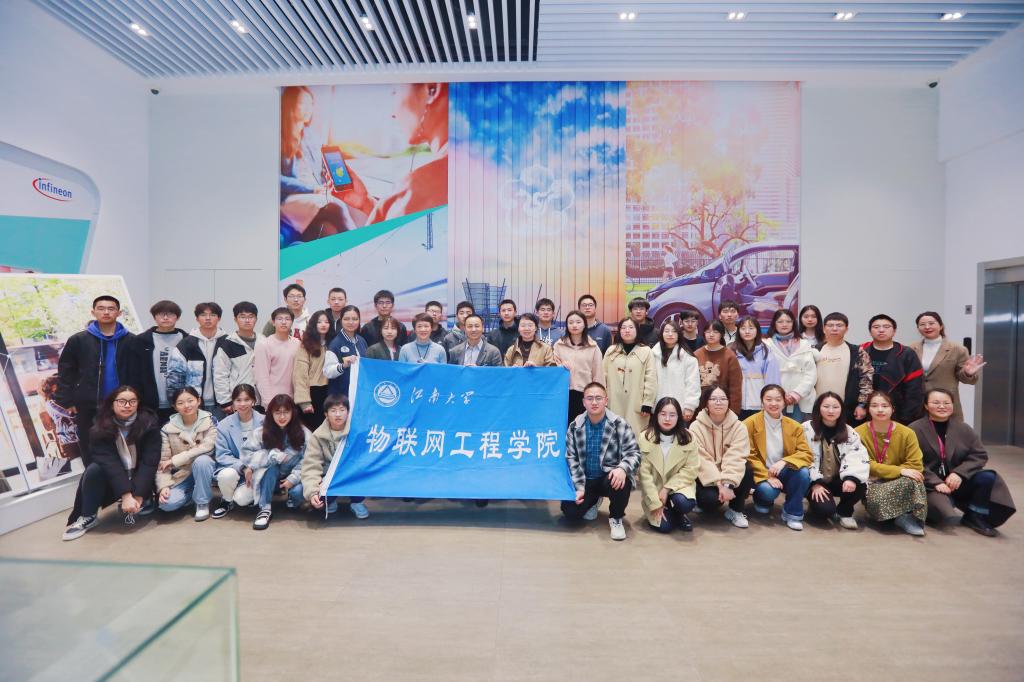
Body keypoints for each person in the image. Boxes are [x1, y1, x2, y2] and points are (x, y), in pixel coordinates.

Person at [332, 82, 449, 225]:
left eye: (395, 92)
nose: (393, 114)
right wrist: (367, 203)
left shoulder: (418, 189)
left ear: (432, 89)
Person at [911, 388, 1015, 535]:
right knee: (945, 516)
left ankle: (975, 515)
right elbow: (912, 461)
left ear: (953, 405)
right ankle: (944, 505)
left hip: (957, 482)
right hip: (930, 485)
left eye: (947, 403)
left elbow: (979, 455)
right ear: (926, 406)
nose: (942, 406)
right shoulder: (914, 429)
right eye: (936, 403)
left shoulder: (963, 428)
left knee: (987, 477)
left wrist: (959, 473)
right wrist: (935, 482)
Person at [62, 386, 160, 541]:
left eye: (132, 401)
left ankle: (145, 498)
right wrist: (126, 495)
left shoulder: (149, 424)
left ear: (138, 403)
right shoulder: (100, 427)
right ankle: (88, 516)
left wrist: (139, 494)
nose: (127, 405)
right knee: (94, 470)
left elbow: (149, 462)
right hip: (114, 479)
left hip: (140, 477)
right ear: (112, 403)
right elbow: (109, 463)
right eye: (122, 401)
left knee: (152, 468)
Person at [55, 295, 134, 462]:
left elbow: (139, 373)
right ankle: (94, 477)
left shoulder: (131, 340)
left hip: (124, 405)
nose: (106, 312)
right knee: (91, 449)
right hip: (88, 405)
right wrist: (67, 401)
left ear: (119, 313)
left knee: (125, 449)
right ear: (93, 312)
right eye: (101, 308)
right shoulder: (78, 340)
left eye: (111, 309)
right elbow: (65, 372)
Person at [562, 382, 642, 541]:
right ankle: (593, 500)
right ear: (583, 402)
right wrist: (579, 487)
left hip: (608, 478)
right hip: (586, 480)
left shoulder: (619, 424)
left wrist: (622, 469)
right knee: (570, 511)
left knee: (621, 482)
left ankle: (616, 518)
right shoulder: (575, 426)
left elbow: (634, 453)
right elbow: (571, 459)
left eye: (598, 398)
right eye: (589, 398)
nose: (594, 402)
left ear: (606, 400)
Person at [279, 86, 357, 244]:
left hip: (314, 194)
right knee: (337, 206)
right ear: (290, 105)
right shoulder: (279, 137)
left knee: (328, 230)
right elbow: (277, 180)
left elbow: (320, 169)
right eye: (303, 103)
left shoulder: (311, 136)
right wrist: (312, 189)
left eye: (311, 104)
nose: (309, 109)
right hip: (291, 197)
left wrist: (330, 181)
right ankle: (362, 246)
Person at [855, 390, 927, 536]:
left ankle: (908, 518)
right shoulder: (857, 433)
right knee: (880, 506)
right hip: (872, 483)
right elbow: (864, 464)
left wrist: (889, 472)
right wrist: (900, 471)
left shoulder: (907, 433)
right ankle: (894, 515)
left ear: (893, 409)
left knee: (915, 478)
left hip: (899, 481)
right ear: (868, 409)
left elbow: (915, 465)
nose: (880, 410)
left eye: (885, 406)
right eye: (874, 405)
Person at [745, 384, 813, 530]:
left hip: (783, 470)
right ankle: (761, 500)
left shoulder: (794, 426)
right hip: (760, 471)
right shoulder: (749, 423)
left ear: (784, 402)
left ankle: (792, 514)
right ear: (762, 402)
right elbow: (748, 455)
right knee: (768, 492)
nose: (773, 403)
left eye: (778, 399)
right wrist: (767, 475)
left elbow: (806, 453)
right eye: (768, 399)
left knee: (803, 473)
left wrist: (784, 461)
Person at [239, 394, 309, 530]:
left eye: (286, 412)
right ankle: (265, 508)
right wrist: (268, 456)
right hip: (268, 476)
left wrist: (293, 478)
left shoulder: (303, 433)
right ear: (271, 413)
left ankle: (291, 497)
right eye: (277, 412)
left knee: (298, 492)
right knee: (271, 469)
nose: (282, 417)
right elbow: (247, 453)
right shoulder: (261, 432)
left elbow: (309, 459)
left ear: (293, 412)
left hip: (294, 476)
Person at [690, 385, 754, 528]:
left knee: (747, 468)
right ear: (706, 402)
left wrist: (727, 484)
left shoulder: (739, 426)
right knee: (709, 502)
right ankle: (704, 502)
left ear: (728, 402)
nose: (718, 402)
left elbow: (736, 456)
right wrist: (719, 485)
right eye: (713, 399)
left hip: (729, 474)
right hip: (707, 476)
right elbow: (702, 459)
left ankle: (735, 510)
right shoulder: (696, 426)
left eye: (723, 399)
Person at [803, 392, 870, 529]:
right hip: (815, 480)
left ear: (841, 409)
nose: (831, 411)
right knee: (824, 511)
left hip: (837, 479)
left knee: (860, 484)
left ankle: (844, 512)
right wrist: (815, 483)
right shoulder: (805, 429)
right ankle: (815, 502)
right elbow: (802, 457)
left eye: (835, 407)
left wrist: (851, 478)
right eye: (826, 406)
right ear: (818, 408)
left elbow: (857, 456)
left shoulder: (849, 432)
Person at [300, 394, 369, 519]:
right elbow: (311, 465)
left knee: (359, 474)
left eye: (342, 410)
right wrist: (313, 492)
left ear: (348, 412)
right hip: (329, 477)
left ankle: (357, 502)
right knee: (318, 501)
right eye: (333, 410)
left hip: (351, 474)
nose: (338, 414)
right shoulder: (318, 436)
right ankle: (330, 500)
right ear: (326, 414)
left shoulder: (358, 432)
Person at [909, 311, 985, 421]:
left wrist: (968, 373)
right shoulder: (911, 349)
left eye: (931, 323)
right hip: (918, 404)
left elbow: (965, 379)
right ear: (918, 328)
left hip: (944, 403)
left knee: (949, 431)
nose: (927, 327)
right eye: (922, 324)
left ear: (941, 326)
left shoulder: (957, 349)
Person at [156, 387, 218, 521]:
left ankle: (202, 502)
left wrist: (175, 460)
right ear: (174, 406)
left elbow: (208, 447)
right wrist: (164, 486)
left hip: (206, 470)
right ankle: (194, 494)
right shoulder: (167, 429)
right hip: (183, 474)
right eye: (180, 403)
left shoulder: (210, 421)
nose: (186, 405)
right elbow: (163, 461)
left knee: (202, 460)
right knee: (166, 504)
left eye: (190, 401)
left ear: (198, 401)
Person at [638, 397, 699, 533]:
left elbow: (691, 469)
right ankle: (665, 511)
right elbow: (644, 474)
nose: (667, 419)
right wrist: (655, 502)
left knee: (684, 503)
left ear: (679, 417)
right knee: (665, 528)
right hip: (654, 490)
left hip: (678, 487)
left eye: (672, 415)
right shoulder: (645, 437)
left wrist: (666, 489)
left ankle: (679, 513)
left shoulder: (689, 438)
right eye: (663, 414)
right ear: (656, 415)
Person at [211, 384, 264, 519]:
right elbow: (222, 455)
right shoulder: (224, 425)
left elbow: (268, 450)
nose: (242, 404)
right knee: (226, 475)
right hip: (234, 469)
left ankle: (250, 495)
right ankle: (227, 501)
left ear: (254, 401)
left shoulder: (265, 421)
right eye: (238, 400)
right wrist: (243, 467)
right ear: (233, 402)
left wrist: (252, 467)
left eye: (247, 399)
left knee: (241, 499)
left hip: (257, 471)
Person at [127, 299, 185, 423]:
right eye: (161, 314)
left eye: (170, 314)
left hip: (182, 403)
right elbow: (133, 374)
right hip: (149, 404)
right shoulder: (140, 341)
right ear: (154, 317)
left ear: (177, 317)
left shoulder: (187, 340)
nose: (165, 317)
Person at [166, 302, 227, 416]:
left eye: (213, 315)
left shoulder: (228, 342)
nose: (208, 318)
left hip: (223, 404)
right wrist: (177, 402)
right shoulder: (186, 344)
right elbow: (175, 376)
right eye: (203, 315)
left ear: (219, 318)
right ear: (197, 318)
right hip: (192, 404)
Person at [861, 314, 924, 424]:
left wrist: (907, 417)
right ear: (870, 331)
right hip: (864, 412)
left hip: (897, 412)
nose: (881, 330)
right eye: (876, 327)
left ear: (894, 331)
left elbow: (914, 390)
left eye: (886, 327)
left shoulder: (906, 354)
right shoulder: (861, 351)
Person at [602, 318, 658, 438]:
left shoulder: (646, 351)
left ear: (637, 330)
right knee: (613, 435)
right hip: (613, 401)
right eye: (623, 327)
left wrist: (647, 403)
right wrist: (602, 399)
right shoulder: (611, 351)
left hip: (637, 403)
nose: (627, 330)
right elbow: (603, 376)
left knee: (635, 436)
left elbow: (651, 379)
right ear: (619, 331)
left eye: (631, 327)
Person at [815, 312, 873, 424]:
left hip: (847, 408)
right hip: (818, 407)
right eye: (830, 325)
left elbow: (866, 380)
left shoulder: (857, 352)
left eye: (839, 325)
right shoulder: (814, 350)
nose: (834, 328)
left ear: (846, 329)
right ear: (823, 329)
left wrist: (862, 405)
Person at [763, 309, 817, 423]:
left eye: (788, 321)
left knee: (800, 430)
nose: (784, 324)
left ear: (793, 323)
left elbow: (811, 374)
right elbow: (764, 373)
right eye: (780, 321)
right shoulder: (766, 344)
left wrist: (796, 394)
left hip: (801, 398)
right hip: (775, 399)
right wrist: (780, 395)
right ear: (774, 324)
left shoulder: (804, 344)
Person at [552, 311, 605, 424]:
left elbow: (598, 373)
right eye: (571, 322)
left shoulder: (593, 347)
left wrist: (599, 395)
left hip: (585, 393)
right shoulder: (559, 345)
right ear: (567, 325)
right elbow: (552, 367)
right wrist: (561, 366)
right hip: (564, 393)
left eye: (578, 322)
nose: (574, 325)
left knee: (584, 425)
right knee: (564, 425)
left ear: (584, 324)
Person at [212, 301, 260, 415]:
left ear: (256, 319)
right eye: (242, 317)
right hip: (238, 400)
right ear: (235, 319)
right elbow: (220, 374)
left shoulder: (263, 341)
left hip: (259, 399)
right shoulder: (227, 344)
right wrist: (225, 401)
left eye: (251, 317)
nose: (247, 320)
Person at [731, 315, 781, 420]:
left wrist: (771, 401)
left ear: (757, 330)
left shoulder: (766, 352)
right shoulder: (732, 351)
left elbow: (773, 381)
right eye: (743, 328)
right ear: (738, 331)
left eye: (751, 328)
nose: (747, 331)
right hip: (737, 404)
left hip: (759, 404)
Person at [650, 320, 700, 423]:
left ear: (679, 334)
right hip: (657, 408)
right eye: (666, 331)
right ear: (661, 334)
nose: (670, 334)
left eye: (674, 331)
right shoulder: (652, 354)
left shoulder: (687, 357)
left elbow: (693, 384)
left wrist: (690, 406)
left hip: (680, 409)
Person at [293, 311, 335, 430]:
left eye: (326, 322)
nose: (323, 324)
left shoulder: (334, 344)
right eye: (319, 322)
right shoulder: (305, 345)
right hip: (313, 393)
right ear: (313, 325)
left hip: (331, 391)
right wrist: (304, 402)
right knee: (314, 430)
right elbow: (300, 375)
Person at [693, 320, 742, 415]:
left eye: (715, 332)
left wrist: (733, 411)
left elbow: (735, 387)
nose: (711, 335)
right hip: (700, 408)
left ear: (722, 334)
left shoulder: (729, 356)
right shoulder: (696, 354)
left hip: (722, 407)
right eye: (708, 332)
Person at [254, 307, 301, 405]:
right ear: (273, 322)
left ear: (292, 322)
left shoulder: (297, 343)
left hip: (293, 399)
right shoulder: (264, 345)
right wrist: (268, 402)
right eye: (280, 319)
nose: (284, 322)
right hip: (273, 400)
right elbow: (262, 377)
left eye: (287, 319)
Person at [324, 305, 367, 396]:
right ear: (341, 320)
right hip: (341, 395)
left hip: (359, 392)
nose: (351, 322)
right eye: (346, 319)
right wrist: (343, 366)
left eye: (355, 319)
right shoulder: (335, 344)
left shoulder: (361, 340)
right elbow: (328, 372)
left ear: (359, 321)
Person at [39, 376, 81, 461]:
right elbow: (70, 414)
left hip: (69, 436)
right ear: (54, 387)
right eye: (59, 385)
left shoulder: (50, 402)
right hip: (69, 437)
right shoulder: (52, 403)